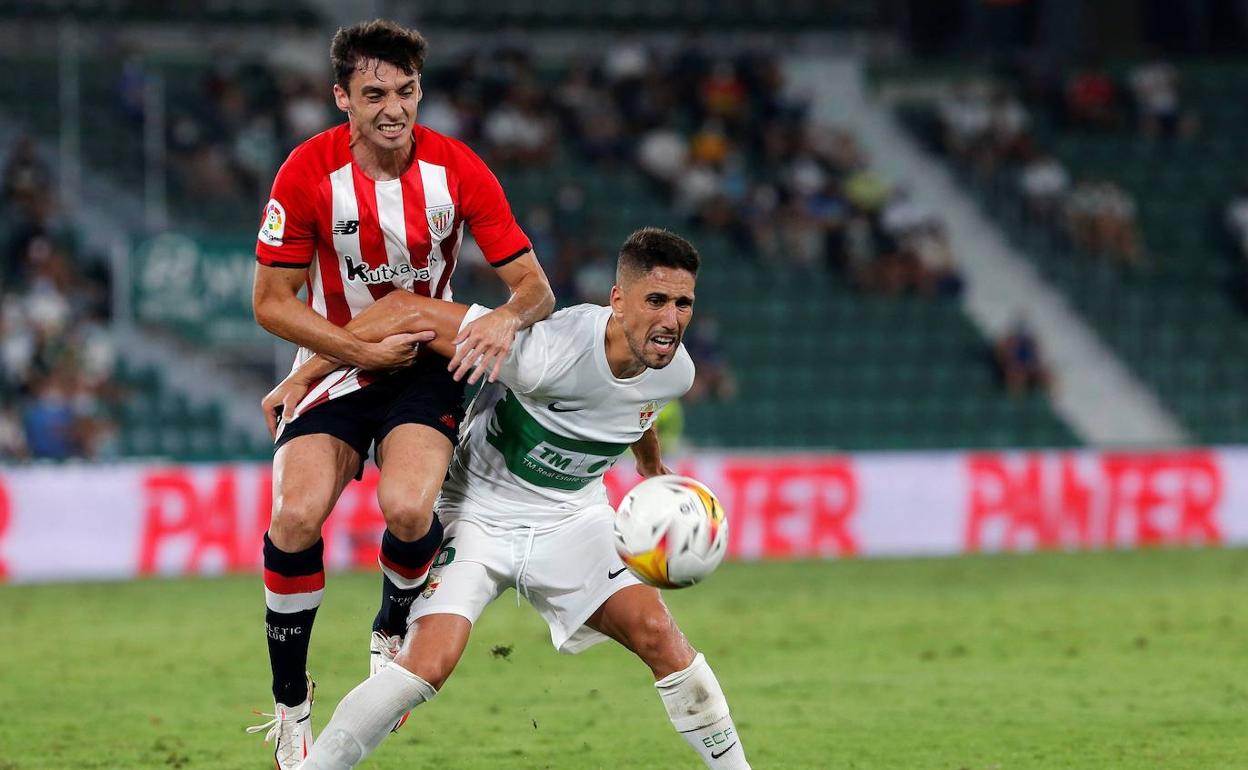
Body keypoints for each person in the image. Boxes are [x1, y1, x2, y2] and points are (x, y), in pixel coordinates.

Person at [266, 228, 751, 769]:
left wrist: (651, 467)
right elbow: (404, 309)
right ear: (618, 300)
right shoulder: (547, 350)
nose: (671, 319)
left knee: (661, 636)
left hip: (573, 517)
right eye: (656, 300)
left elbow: (637, 406)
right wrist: (305, 376)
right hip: (479, 512)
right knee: (426, 666)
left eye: (683, 303)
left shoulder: (676, 371)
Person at [247, 20, 554, 769]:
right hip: (336, 359)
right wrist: (347, 353)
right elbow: (270, 302)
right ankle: (291, 702)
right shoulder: (306, 172)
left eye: (407, 91)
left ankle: (391, 627)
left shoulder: (458, 168)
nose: (394, 108)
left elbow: (534, 288)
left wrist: (505, 319)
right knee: (294, 516)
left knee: (412, 509)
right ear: (342, 98)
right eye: (375, 93)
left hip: (422, 363)